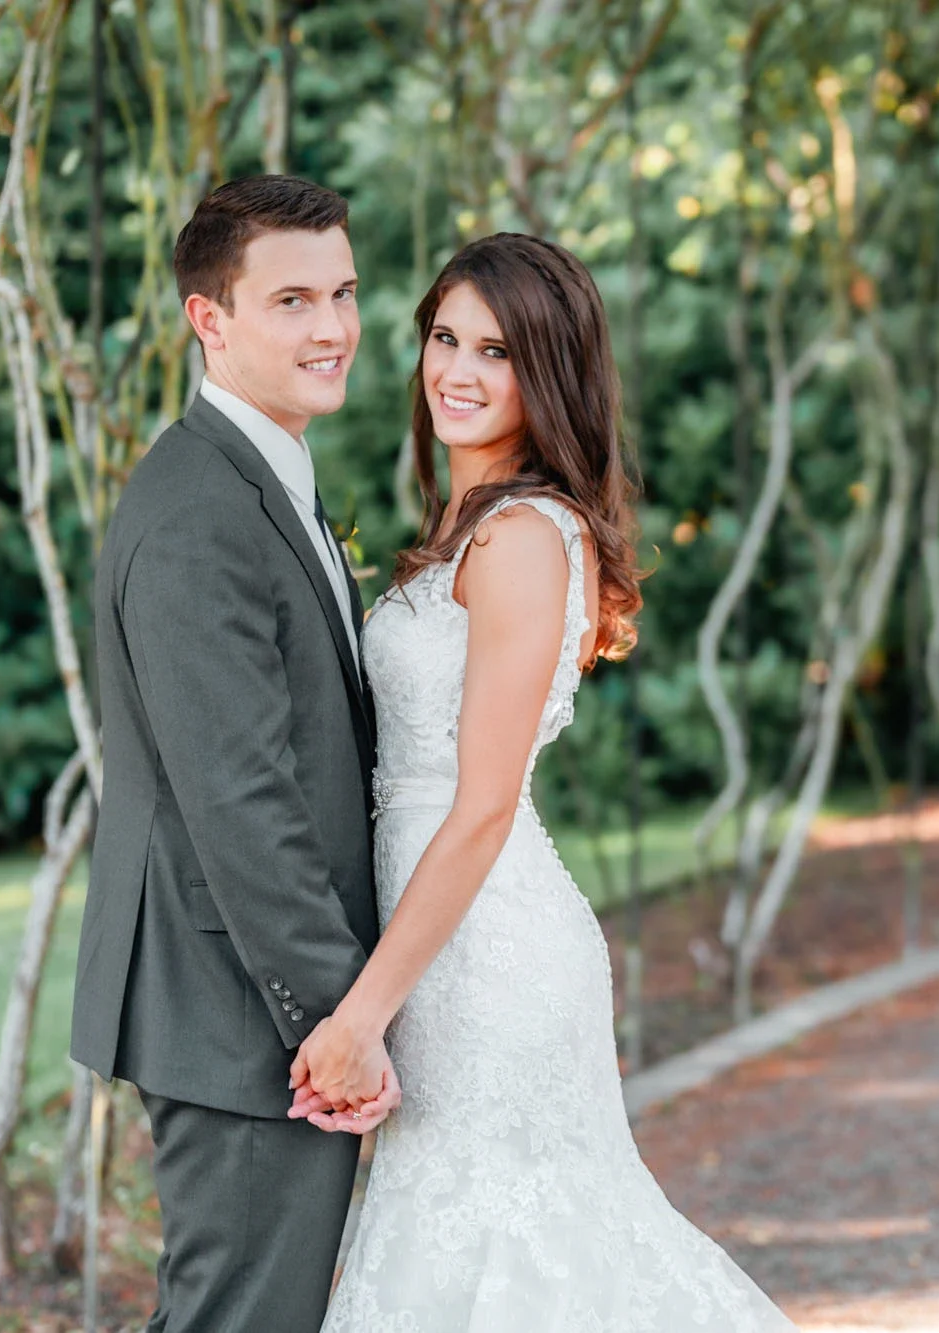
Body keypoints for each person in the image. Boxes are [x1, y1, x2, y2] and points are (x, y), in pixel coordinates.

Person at [292, 232, 798, 1329]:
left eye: (498, 351)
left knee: (516, 1257)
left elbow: (478, 809)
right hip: (437, 942)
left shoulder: (522, 537)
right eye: (443, 337)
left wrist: (359, 1014)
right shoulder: (461, 529)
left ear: (548, 375)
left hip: (489, 957)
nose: (456, 372)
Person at [68, 174, 399, 1333]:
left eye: (344, 292)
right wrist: (332, 1024)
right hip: (242, 1010)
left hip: (251, 1001)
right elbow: (241, 799)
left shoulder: (257, 475)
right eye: (293, 300)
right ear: (211, 318)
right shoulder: (198, 512)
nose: (334, 328)